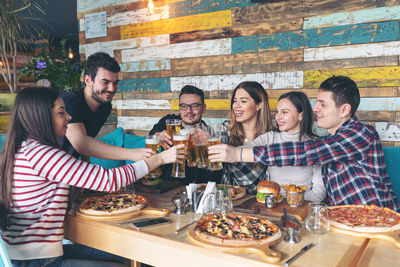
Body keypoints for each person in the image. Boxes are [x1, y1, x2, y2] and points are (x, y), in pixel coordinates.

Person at [0, 87, 185, 266]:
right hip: (37, 260)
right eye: (61, 112)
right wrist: (159, 159)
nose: (69, 117)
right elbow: (108, 181)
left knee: (124, 256)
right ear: (41, 117)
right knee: (128, 262)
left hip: (25, 254)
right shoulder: (42, 154)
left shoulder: (23, 148)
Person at [209, 76, 400, 211]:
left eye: (322, 104)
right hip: (341, 219)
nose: (315, 109)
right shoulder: (330, 142)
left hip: (375, 220)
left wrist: (237, 154)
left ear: (344, 110)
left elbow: (305, 152)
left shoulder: (361, 134)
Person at [61, 52, 154, 161]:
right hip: (47, 169)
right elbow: (81, 144)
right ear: (88, 80)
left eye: (115, 83)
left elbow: (87, 140)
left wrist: (89, 167)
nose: (112, 88)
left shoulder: (104, 106)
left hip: (70, 165)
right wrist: (132, 154)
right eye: (105, 82)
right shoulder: (70, 101)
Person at [243, 91, 326, 202]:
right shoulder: (270, 138)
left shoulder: (315, 144)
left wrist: (285, 200)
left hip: (302, 207)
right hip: (273, 206)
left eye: (284, 112)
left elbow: (318, 194)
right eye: (277, 112)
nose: (278, 117)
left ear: (300, 115)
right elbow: (243, 150)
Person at [149, 85, 222, 184]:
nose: (189, 111)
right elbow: (153, 133)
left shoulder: (208, 134)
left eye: (195, 106)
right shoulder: (169, 122)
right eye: (184, 106)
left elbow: (214, 173)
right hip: (166, 185)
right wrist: (159, 135)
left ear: (203, 108)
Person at [221, 81, 274, 194]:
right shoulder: (225, 130)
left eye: (243, 101)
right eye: (235, 101)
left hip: (258, 203)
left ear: (259, 105)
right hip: (228, 201)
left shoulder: (271, 136)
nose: (236, 106)